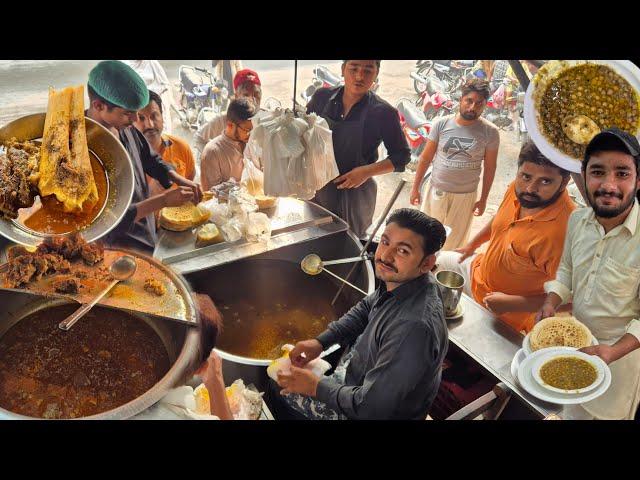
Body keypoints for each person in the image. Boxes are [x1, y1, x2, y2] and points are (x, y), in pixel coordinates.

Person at [275, 208, 449, 420]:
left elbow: (372, 408)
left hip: (374, 412)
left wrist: (315, 388)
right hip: (363, 382)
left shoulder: (413, 330)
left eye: (403, 251)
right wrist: (321, 342)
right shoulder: (409, 281)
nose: (385, 256)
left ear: (427, 263)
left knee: (279, 389)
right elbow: (367, 307)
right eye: (385, 242)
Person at [537, 128, 640, 420]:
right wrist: (551, 301)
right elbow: (568, 269)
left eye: (622, 173)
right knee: (570, 411)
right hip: (573, 347)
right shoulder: (578, 220)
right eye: (598, 172)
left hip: (620, 365)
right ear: (584, 175)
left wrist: (612, 352)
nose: (608, 185)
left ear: (638, 179)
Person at [437, 141, 575, 333]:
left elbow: (575, 299)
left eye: (545, 181)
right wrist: (472, 245)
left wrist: (513, 304)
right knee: (439, 262)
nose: (530, 188)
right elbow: (500, 219)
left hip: (506, 314)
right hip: (477, 273)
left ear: (564, 183)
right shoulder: (516, 190)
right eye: (526, 176)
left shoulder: (566, 233)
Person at [85, 60, 202, 250]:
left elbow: (149, 158)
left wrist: (177, 178)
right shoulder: (85, 150)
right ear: (99, 106)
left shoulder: (124, 127)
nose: (134, 121)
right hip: (116, 249)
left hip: (146, 234)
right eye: (127, 114)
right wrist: (163, 201)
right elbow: (104, 220)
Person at [306, 60, 411, 239]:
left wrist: (366, 172)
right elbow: (304, 130)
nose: (359, 76)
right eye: (353, 68)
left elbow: (402, 156)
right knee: (312, 237)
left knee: (348, 244)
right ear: (342, 69)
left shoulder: (383, 112)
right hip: (317, 188)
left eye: (368, 70)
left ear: (376, 74)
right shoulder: (322, 97)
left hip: (355, 194)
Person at [410, 78, 500, 250]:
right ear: (461, 99)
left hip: (465, 197)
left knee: (453, 244)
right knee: (425, 238)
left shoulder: (490, 132)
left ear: (485, 105)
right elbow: (425, 158)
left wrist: (483, 199)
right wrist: (415, 188)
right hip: (436, 191)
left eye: (478, 103)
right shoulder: (441, 124)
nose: (472, 107)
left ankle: (441, 274)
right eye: (469, 101)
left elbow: (490, 168)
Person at [133, 90, 196, 196]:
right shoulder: (127, 156)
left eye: (154, 116)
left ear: (162, 117)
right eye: (141, 118)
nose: (150, 125)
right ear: (131, 123)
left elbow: (190, 180)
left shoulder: (181, 147)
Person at [194, 68, 262, 155]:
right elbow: (199, 138)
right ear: (237, 96)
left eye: (256, 94)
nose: (253, 99)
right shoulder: (224, 120)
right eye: (246, 95)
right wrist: (213, 158)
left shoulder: (265, 118)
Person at [200, 97, 255, 191]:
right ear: (230, 125)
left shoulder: (250, 144)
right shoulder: (212, 152)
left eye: (253, 129)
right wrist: (239, 189)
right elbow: (210, 195)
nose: (251, 134)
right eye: (247, 130)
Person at [121, 60, 174, 134]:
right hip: (135, 107)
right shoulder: (120, 65)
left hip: (154, 104)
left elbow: (164, 86)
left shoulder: (152, 63)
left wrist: (164, 107)